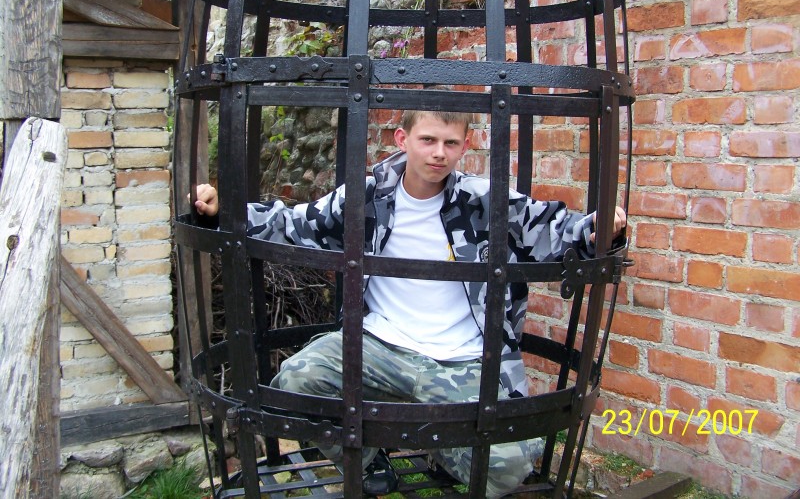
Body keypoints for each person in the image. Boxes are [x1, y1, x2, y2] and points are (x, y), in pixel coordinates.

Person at [193, 110, 626, 497]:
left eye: (450, 143)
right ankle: (366, 460)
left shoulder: (488, 201)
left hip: (464, 359)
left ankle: (441, 448)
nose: (439, 153)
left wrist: (600, 230)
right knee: (296, 381)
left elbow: (555, 230)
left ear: (465, 146)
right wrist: (226, 211)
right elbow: (295, 224)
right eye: (428, 140)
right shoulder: (365, 197)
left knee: (508, 467)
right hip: (380, 347)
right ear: (402, 139)